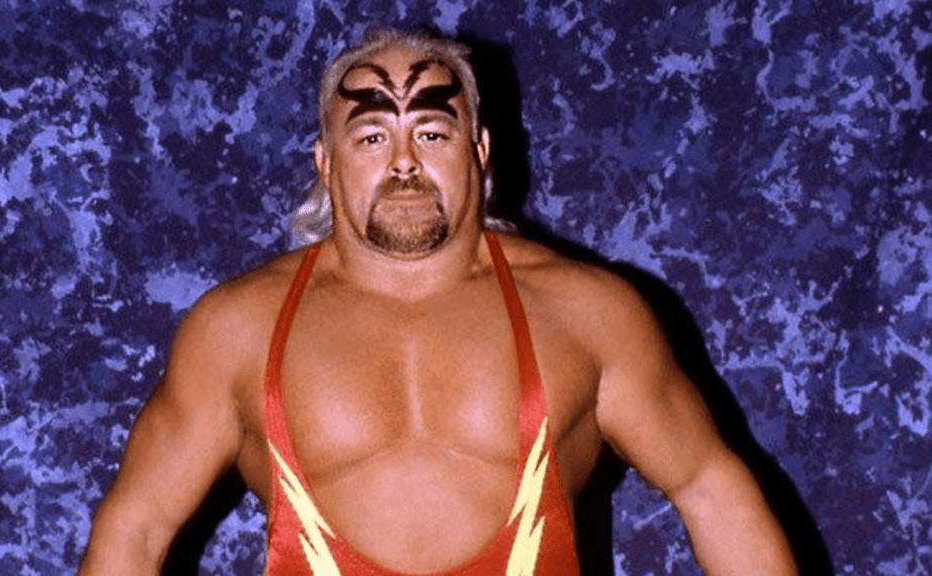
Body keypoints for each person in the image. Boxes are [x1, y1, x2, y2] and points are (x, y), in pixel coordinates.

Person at [78, 27, 798, 575]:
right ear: (326, 163)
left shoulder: (588, 313)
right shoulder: (237, 329)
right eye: (371, 136)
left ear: (479, 151)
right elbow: (137, 528)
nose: (403, 162)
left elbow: (710, 490)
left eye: (430, 132)